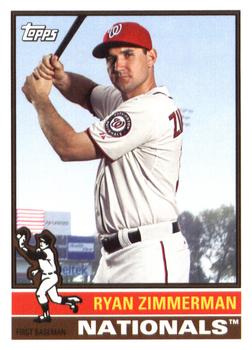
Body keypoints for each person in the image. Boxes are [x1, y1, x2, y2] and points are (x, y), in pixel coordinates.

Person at [22, 21, 190, 284]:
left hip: (147, 254)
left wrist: (40, 100)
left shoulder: (147, 110)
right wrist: (60, 77)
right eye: (111, 59)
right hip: (117, 254)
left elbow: (69, 148)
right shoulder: (127, 101)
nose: (118, 65)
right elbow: (88, 93)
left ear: (151, 57)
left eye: (128, 54)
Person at [16, 227, 82, 322]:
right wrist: (38, 270)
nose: (40, 242)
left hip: (51, 277)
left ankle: (46, 316)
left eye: (42, 241)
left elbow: (34, 256)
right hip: (46, 276)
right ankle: (71, 302)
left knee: (40, 293)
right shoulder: (42, 251)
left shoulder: (47, 252)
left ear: (47, 243)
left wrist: (23, 246)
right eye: (40, 240)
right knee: (56, 299)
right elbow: (44, 264)